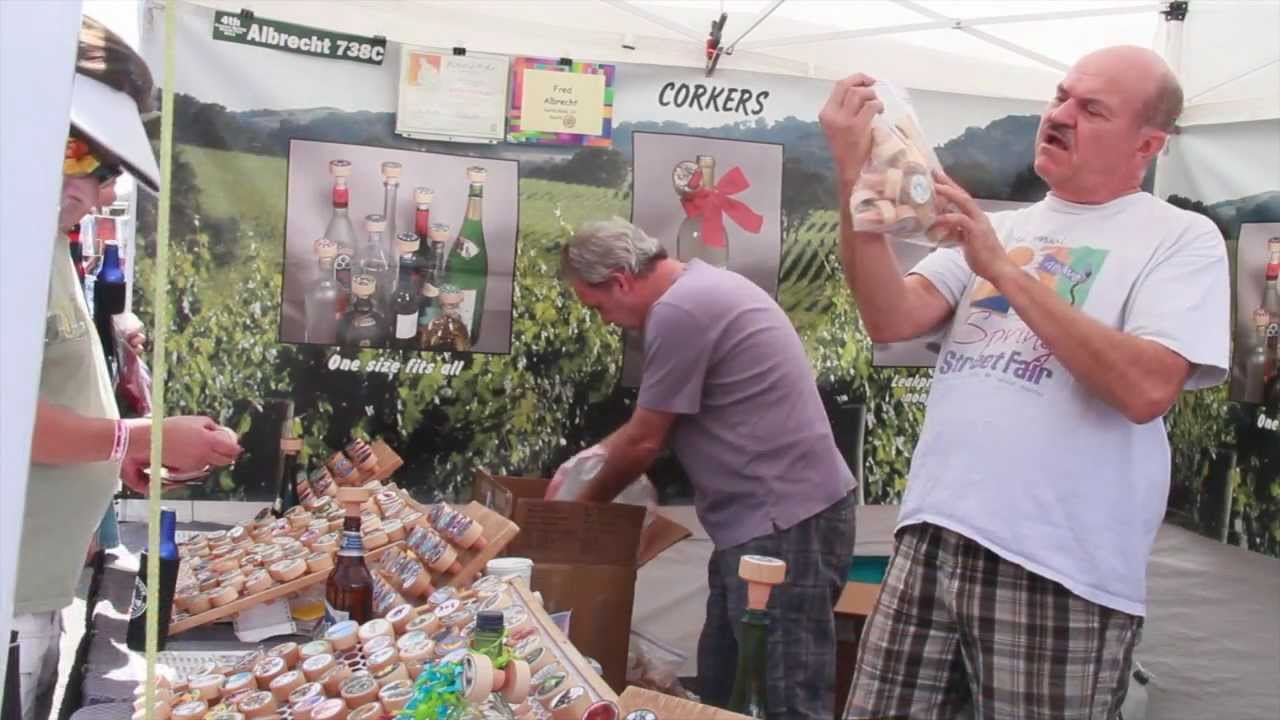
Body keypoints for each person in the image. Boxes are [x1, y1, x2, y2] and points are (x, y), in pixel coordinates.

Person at [820, 46, 1230, 719]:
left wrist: (1004, 270)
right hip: (933, 537)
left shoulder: (1180, 238)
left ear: (1149, 144)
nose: (1061, 115)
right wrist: (855, 177)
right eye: (1062, 96)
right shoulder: (1004, 227)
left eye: (1091, 109)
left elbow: (1146, 389)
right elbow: (890, 318)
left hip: (1059, 567)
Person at [13, 17, 242, 720]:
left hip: (38, 589)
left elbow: (46, 388)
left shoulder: (45, 239)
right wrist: (135, 440)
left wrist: (117, 456)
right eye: (95, 161)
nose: (109, 191)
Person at [559, 218, 857, 719]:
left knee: (784, 696)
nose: (606, 319)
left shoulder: (681, 309)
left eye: (599, 305)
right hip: (764, 524)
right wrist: (584, 469)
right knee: (722, 687)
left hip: (785, 524)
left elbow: (644, 440)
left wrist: (572, 516)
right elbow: (650, 433)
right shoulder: (699, 289)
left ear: (620, 280)